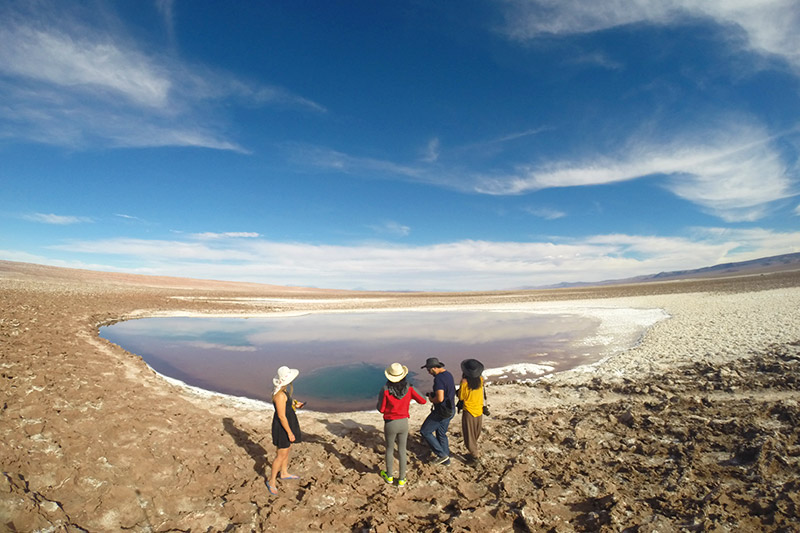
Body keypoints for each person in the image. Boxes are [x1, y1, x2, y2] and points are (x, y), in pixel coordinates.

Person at [376, 362, 427, 487]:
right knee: (402, 450)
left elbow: (381, 409)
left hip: (390, 423)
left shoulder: (386, 389)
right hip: (404, 422)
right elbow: (423, 400)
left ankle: (389, 476)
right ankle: (402, 479)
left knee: (389, 449)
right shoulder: (409, 388)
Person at [267, 365, 305, 495]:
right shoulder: (280, 396)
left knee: (287, 450)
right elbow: (281, 416)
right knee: (280, 454)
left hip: (288, 422)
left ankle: (284, 473)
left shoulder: (283, 392)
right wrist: (289, 432)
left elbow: (286, 404)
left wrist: (294, 403)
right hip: (283, 426)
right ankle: (271, 481)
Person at [419, 357, 456, 466]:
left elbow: (439, 398)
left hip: (441, 411)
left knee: (425, 431)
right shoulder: (448, 374)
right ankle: (446, 459)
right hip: (451, 410)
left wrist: (431, 399)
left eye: (429, 370)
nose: (429, 372)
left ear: (434, 368)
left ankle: (441, 455)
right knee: (441, 433)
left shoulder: (438, 379)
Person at [457, 358, 485, 463]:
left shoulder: (464, 382)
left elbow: (461, 397)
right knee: (475, 433)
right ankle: (473, 451)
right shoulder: (481, 380)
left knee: (468, 435)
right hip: (479, 409)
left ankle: (474, 457)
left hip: (469, 410)